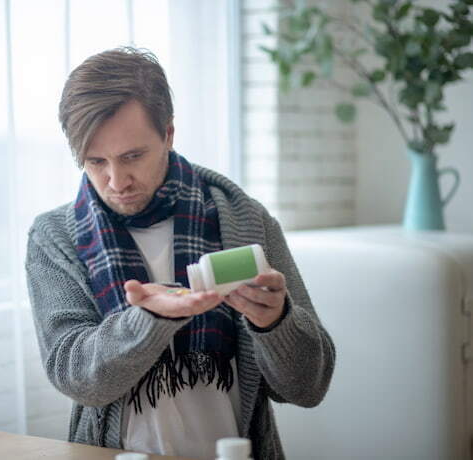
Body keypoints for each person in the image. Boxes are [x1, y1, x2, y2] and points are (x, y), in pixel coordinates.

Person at [25, 47, 335, 460]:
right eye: (96, 161)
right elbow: (76, 377)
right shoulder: (55, 237)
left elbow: (308, 387)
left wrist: (274, 321)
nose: (117, 181)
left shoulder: (245, 221)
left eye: (133, 156)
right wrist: (149, 320)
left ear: (168, 134)